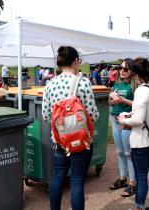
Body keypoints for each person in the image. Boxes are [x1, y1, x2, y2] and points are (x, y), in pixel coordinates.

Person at [42, 46, 99, 210]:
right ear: (75, 61)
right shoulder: (82, 82)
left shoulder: (50, 84)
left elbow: (46, 115)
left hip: (60, 139)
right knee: (77, 180)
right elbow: (93, 115)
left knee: (58, 176)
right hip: (81, 140)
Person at [117, 58, 149, 210]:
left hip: (141, 141)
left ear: (139, 74)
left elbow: (138, 120)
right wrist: (131, 113)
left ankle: (139, 206)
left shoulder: (142, 90)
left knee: (141, 176)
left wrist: (122, 119)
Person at [108, 58, 135, 197]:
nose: (122, 71)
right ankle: (123, 178)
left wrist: (122, 100)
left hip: (127, 122)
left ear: (132, 71)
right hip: (115, 119)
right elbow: (110, 102)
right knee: (119, 151)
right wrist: (112, 98)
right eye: (121, 68)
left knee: (128, 153)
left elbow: (138, 104)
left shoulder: (134, 85)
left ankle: (132, 183)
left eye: (126, 69)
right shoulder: (117, 83)